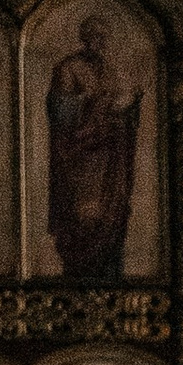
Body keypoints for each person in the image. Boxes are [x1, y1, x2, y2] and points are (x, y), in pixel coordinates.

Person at [44, 16, 144, 279]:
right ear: (85, 39)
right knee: (82, 215)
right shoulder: (69, 68)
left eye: (103, 38)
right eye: (94, 37)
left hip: (110, 156)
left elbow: (120, 106)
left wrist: (130, 105)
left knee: (112, 212)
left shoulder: (109, 69)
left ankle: (108, 269)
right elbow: (60, 112)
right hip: (80, 156)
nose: (99, 43)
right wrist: (93, 103)